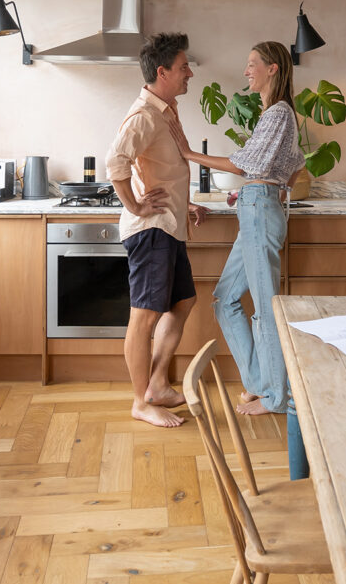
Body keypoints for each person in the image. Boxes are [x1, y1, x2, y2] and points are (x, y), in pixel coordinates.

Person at [170, 41, 305, 419]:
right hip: (257, 206)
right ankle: (262, 385)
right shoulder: (276, 114)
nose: (246, 71)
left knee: (264, 309)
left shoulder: (278, 113)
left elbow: (246, 164)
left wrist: (189, 153)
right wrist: (258, 188)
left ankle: (277, 397)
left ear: (273, 68)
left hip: (260, 211)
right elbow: (295, 164)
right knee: (224, 298)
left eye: (252, 64)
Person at [106, 32, 208, 428]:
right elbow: (116, 162)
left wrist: (187, 205)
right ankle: (139, 400)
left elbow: (160, 168)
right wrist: (133, 205)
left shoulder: (163, 111)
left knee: (183, 302)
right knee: (144, 316)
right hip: (151, 232)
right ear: (163, 72)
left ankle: (157, 385)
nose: (190, 74)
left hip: (168, 226)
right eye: (184, 67)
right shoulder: (145, 115)